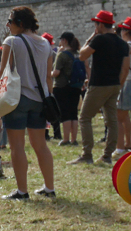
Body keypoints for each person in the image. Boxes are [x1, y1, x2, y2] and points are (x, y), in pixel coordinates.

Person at [0, 6, 56, 198]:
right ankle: (49, 187)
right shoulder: (46, 43)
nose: (8, 25)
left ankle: (22, 191)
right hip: (40, 99)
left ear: (20, 24)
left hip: (17, 99)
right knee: (41, 146)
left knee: (17, 147)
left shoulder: (12, 41)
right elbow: (48, 76)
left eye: (10, 21)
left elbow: (3, 73)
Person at [71, 10, 130, 165]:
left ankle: (87, 154)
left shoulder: (99, 40)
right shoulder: (122, 44)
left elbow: (82, 55)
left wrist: (92, 37)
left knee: (84, 118)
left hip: (98, 85)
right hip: (115, 85)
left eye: (96, 24)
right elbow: (125, 68)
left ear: (100, 25)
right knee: (112, 122)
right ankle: (107, 156)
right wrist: (119, 84)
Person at [51, 33, 82, 147]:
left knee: (65, 113)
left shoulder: (62, 55)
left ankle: (65, 139)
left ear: (64, 40)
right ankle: (74, 139)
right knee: (73, 113)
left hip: (62, 86)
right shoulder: (77, 54)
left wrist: (49, 73)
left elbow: (56, 72)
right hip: (76, 86)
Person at [117, 19, 131, 156]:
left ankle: (120, 148)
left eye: (122, 29)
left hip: (126, 82)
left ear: (126, 31)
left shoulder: (126, 46)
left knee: (118, 116)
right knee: (125, 115)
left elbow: (124, 68)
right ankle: (128, 143)